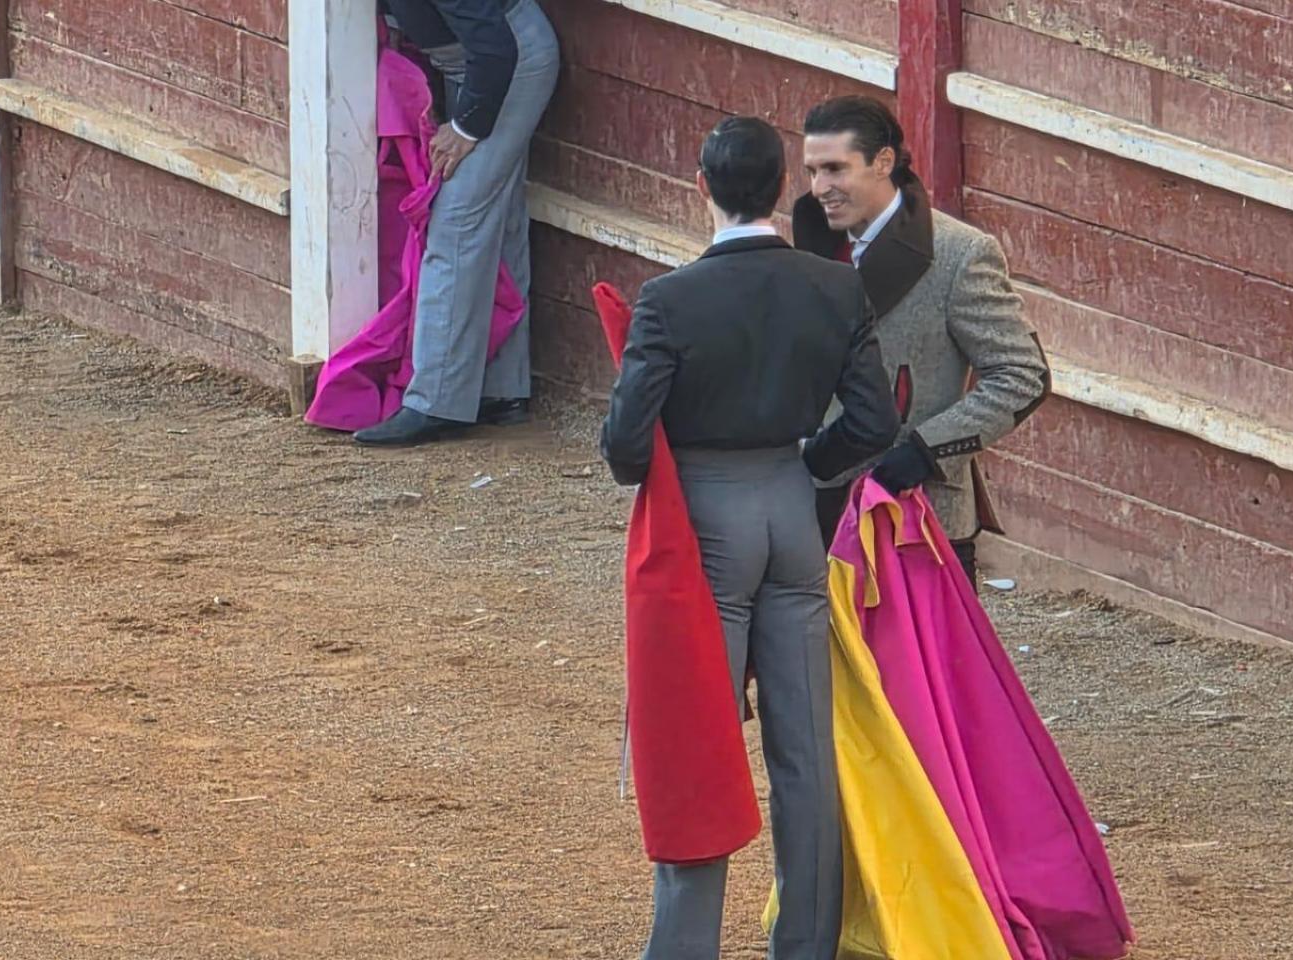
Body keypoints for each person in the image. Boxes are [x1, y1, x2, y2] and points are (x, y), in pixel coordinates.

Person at [601, 117, 899, 960]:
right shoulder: (834, 287)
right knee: (804, 747)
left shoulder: (669, 299)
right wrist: (806, 469)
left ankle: (686, 947)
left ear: (701, 185)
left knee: (698, 738)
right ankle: (807, 945)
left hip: (706, 532)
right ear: (784, 187)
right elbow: (875, 421)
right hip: (793, 514)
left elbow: (627, 452)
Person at [795, 96, 1050, 585]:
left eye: (835, 169)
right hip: (817, 501)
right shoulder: (810, 241)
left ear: (883, 162)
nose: (819, 188)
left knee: (920, 663)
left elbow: (1023, 374)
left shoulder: (960, 254)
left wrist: (924, 452)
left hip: (916, 510)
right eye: (811, 171)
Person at [354, 0, 560, 446]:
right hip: (475, 64)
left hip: (506, 67)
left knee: (456, 221)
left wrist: (466, 128)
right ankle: (502, 389)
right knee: (496, 216)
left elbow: (495, 49)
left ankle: (436, 401)